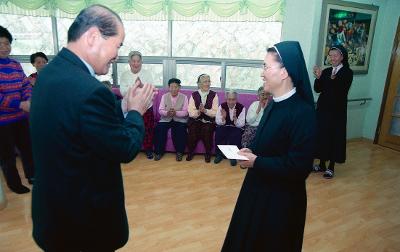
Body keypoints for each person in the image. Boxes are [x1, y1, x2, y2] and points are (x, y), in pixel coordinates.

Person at [29, 5, 155, 251]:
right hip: (83, 226)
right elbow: (125, 148)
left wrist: (121, 107)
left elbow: (77, 123)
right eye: (117, 45)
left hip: (53, 213)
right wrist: (135, 111)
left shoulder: (50, 73)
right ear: (93, 37)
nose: (117, 55)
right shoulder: (90, 90)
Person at [222, 41, 316, 252]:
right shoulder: (274, 102)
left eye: (266, 67)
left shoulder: (303, 113)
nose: (262, 73)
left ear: (284, 72)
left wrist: (258, 161)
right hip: (257, 189)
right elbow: (268, 144)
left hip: (281, 203)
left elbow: (299, 167)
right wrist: (251, 153)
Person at [0, 25, 34, 194]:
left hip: (20, 117)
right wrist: (19, 104)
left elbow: (25, 84)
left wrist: (28, 98)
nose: (4, 47)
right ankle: (14, 184)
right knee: (7, 156)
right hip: (2, 121)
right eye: (0, 44)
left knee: (27, 148)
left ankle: (32, 175)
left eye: (6, 43)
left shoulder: (15, 64)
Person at [313, 44, 353, 179]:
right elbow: (318, 89)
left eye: (335, 55)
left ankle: (331, 167)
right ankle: (322, 164)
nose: (333, 58)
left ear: (342, 57)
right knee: (322, 136)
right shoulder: (326, 71)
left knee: (334, 137)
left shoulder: (347, 72)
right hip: (323, 110)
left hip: (337, 112)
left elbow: (339, 90)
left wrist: (328, 80)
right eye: (331, 56)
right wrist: (318, 77)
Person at [120, 50, 155, 159]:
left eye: (138, 61)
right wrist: (136, 86)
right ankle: (131, 150)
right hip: (130, 107)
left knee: (147, 129)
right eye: (133, 61)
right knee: (131, 128)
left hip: (146, 106)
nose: (135, 63)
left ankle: (148, 149)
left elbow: (151, 90)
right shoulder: (125, 75)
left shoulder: (147, 74)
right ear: (129, 62)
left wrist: (142, 85)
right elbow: (123, 91)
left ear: (141, 62)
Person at [153, 78, 188, 161]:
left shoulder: (184, 97)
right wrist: (167, 113)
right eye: (171, 87)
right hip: (166, 119)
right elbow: (160, 110)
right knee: (159, 129)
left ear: (179, 87)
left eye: (176, 87)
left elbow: (186, 112)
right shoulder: (164, 96)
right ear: (169, 87)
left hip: (179, 119)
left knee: (181, 130)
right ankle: (158, 152)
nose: (173, 89)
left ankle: (179, 152)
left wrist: (176, 113)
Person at [186, 74, 219, 163]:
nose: (208, 83)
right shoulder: (194, 95)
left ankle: (208, 153)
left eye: (209, 81)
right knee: (193, 129)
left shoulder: (214, 95)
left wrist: (205, 111)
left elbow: (215, 112)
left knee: (207, 130)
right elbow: (191, 112)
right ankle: (190, 152)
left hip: (209, 120)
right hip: (196, 119)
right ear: (199, 84)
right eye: (205, 81)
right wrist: (199, 112)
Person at [214, 90, 246, 166]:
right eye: (229, 99)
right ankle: (219, 154)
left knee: (236, 134)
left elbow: (241, 124)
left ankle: (233, 156)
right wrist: (223, 118)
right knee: (219, 132)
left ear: (236, 99)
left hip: (236, 127)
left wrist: (235, 118)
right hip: (224, 126)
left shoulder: (241, 107)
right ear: (226, 99)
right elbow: (217, 121)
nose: (231, 102)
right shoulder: (222, 106)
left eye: (233, 99)